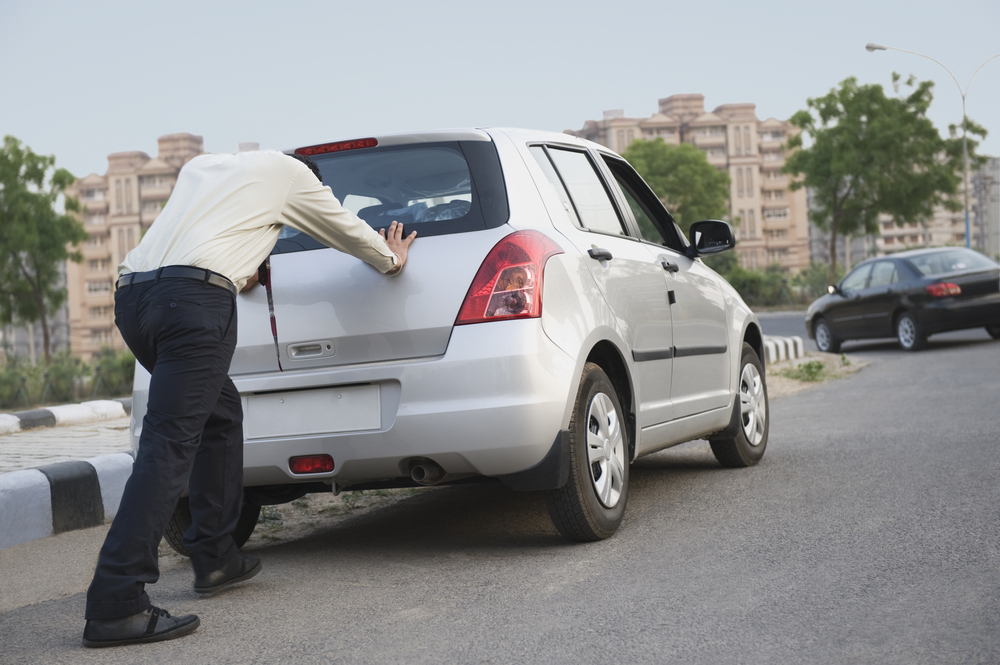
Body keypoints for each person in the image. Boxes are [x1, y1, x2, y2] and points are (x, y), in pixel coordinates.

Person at [82, 148, 415, 648]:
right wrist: (392, 258)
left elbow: (216, 241)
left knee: (220, 413)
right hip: (193, 305)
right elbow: (349, 232)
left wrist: (250, 263)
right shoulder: (295, 177)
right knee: (168, 446)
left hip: (134, 300)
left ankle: (215, 556)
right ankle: (116, 602)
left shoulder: (206, 170)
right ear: (310, 181)